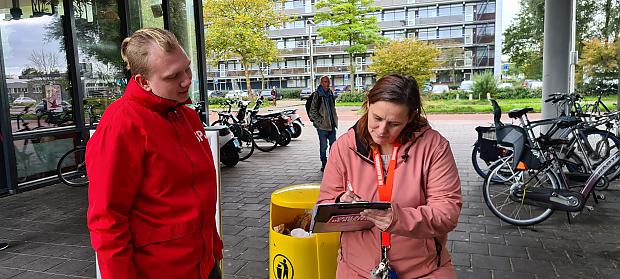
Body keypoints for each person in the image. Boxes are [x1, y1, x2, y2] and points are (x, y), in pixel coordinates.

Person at [86, 28, 223, 279]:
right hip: (160, 271)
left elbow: (197, 194)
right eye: (173, 76)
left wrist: (213, 248)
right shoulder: (121, 125)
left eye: (187, 68)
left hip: (203, 264)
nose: (186, 80)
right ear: (143, 81)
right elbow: (107, 220)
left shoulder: (185, 115)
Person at [316, 74, 462, 278]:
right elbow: (324, 202)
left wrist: (399, 219)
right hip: (356, 269)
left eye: (394, 123)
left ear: (410, 117)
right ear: (368, 104)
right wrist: (340, 202)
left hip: (423, 269)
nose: (382, 131)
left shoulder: (434, 147)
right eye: (376, 118)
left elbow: (447, 213)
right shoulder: (345, 146)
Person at [309, 76, 338, 171]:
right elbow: (312, 111)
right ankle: (324, 164)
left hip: (332, 126)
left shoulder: (330, 93)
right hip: (322, 127)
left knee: (334, 146)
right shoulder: (317, 95)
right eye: (325, 82)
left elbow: (332, 108)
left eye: (328, 82)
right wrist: (319, 122)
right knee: (323, 146)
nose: (327, 84)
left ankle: (332, 163)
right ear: (321, 83)